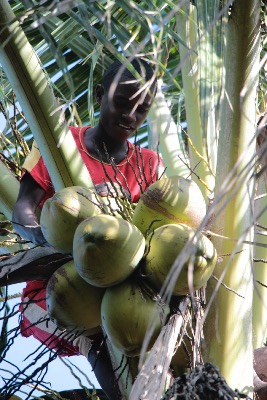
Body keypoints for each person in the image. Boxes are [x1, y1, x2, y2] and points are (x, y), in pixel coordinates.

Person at [12, 57, 164, 400]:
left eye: (142, 109)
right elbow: (22, 208)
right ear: (99, 96)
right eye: (122, 103)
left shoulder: (149, 165)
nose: (130, 116)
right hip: (52, 292)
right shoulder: (61, 143)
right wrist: (42, 236)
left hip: (122, 292)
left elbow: (154, 232)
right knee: (99, 346)